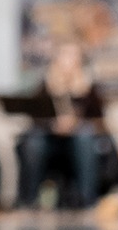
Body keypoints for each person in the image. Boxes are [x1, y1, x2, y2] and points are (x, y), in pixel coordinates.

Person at [17, 43, 107, 209]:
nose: (68, 61)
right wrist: (53, 125)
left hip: (77, 142)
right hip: (50, 141)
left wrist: (75, 123)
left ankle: (86, 198)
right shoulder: (45, 85)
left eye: (73, 56)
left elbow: (99, 118)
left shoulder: (89, 87)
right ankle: (28, 199)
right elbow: (34, 118)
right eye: (65, 56)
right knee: (33, 141)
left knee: (85, 135)